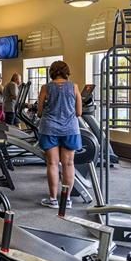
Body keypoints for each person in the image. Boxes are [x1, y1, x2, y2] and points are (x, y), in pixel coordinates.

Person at [36, 61, 82, 209]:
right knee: (69, 164)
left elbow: (39, 111)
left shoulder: (46, 88)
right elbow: (79, 112)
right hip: (70, 128)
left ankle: (53, 199)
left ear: (52, 72)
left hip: (49, 128)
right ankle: (66, 199)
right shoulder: (74, 87)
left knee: (52, 163)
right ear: (66, 71)